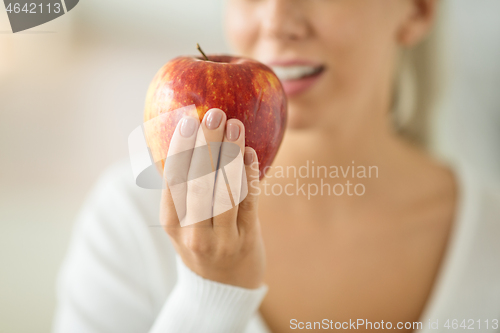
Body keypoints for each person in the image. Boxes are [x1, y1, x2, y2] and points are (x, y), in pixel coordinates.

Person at [53, 0, 500, 332]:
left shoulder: (489, 242)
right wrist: (210, 296)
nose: (275, 20)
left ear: (418, 11)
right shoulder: (128, 222)